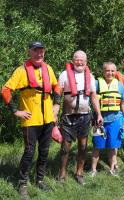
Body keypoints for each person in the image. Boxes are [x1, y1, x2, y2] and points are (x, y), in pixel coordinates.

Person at [1, 41, 61, 198]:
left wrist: (57, 104)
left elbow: (57, 87)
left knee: (44, 151)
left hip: (48, 118)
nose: (39, 54)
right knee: (29, 152)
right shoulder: (21, 71)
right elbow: (6, 90)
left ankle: (40, 180)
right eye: (36, 51)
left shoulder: (48, 69)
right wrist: (15, 111)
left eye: (41, 51)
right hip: (30, 120)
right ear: (30, 52)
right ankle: (23, 183)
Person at [55, 50, 103, 185]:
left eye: (82, 59)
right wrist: (55, 113)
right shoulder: (64, 75)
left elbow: (94, 97)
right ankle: (62, 175)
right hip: (68, 116)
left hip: (85, 116)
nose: (79, 61)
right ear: (72, 60)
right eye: (76, 59)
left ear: (86, 62)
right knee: (65, 148)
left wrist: (98, 114)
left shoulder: (90, 77)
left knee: (82, 147)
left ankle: (79, 173)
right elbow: (58, 96)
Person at [91, 62, 124, 176]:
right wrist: (98, 115)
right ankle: (93, 170)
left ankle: (112, 169)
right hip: (99, 121)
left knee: (113, 145)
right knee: (97, 145)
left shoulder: (119, 85)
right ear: (103, 71)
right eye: (107, 70)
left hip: (115, 120)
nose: (110, 73)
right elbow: (93, 100)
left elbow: (123, 103)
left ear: (115, 72)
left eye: (112, 71)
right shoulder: (97, 83)